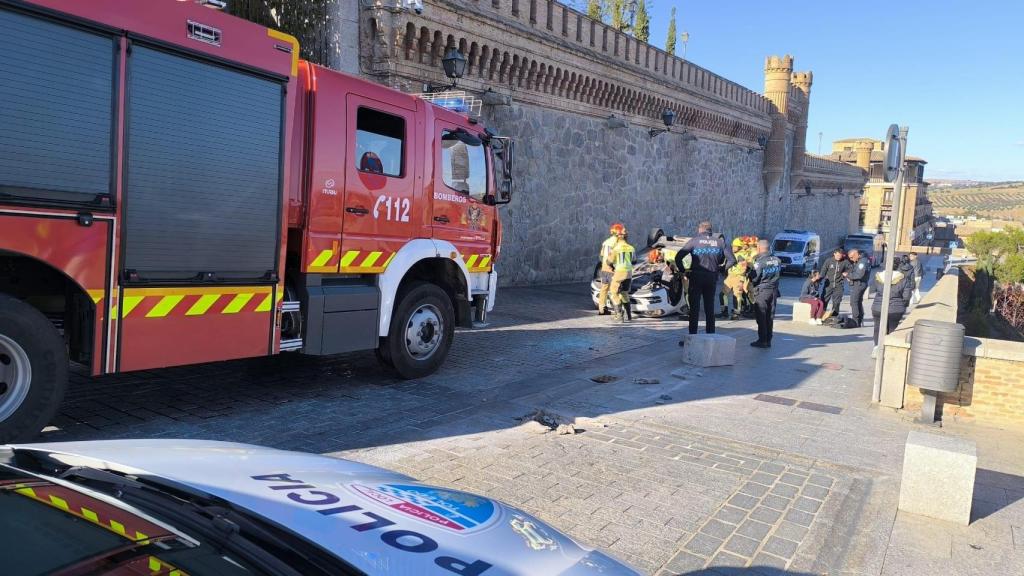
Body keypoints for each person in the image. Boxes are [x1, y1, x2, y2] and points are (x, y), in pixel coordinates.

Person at [675, 221, 735, 344]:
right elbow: (732, 260)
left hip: (696, 276)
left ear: (700, 230)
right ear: (711, 230)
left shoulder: (694, 241)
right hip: (711, 277)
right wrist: (721, 269)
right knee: (709, 307)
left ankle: (692, 337)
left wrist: (684, 271)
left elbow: (678, 256)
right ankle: (710, 337)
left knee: (694, 308)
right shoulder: (720, 242)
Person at [870, 257, 915, 357]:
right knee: (892, 329)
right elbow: (907, 296)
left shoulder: (878, 276)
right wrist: (904, 305)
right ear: (898, 266)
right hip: (896, 309)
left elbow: (873, 289)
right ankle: (888, 351)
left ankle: (877, 348)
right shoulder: (903, 279)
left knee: (878, 328)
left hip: (878, 307)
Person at [747, 239, 782, 348]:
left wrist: (748, 272)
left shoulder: (760, 262)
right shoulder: (777, 260)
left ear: (759, 248)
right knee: (770, 316)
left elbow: (755, 278)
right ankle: (768, 339)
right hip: (774, 290)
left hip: (762, 291)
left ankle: (762, 340)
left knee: (761, 315)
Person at [607, 226, 635, 322]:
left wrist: (612, 265)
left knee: (613, 293)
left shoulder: (616, 248)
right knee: (624, 293)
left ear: (618, 237)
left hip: (619, 272)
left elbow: (609, 261)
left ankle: (619, 316)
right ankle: (629, 315)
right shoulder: (631, 248)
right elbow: (634, 261)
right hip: (629, 273)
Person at [596, 223, 624, 315]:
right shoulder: (617, 243)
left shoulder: (606, 242)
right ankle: (618, 310)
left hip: (604, 268)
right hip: (612, 269)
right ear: (618, 232)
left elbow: (601, 255)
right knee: (616, 290)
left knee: (604, 289)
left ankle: (602, 309)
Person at [820, 248, 850, 322]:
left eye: (840, 255)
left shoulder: (845, 262)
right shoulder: (829, 261)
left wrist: (846, 274)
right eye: (837, 255)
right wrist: (819, 279)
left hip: (839, 285)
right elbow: (823, 271)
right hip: (828, 284)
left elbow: (850, 269)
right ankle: (821, 316)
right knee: (824, 300)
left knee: (836, 302)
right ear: (834, 254)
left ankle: (834, 317)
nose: (839, 257)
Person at [846, 249, 870, 327]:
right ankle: (859, 319)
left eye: (852, 257)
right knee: (858, 302)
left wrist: (848, 275)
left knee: (854, 302)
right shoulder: (862, 260)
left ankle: (856, 321)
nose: (851, 259)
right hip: (860, 284)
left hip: (859, 284)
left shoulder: (862, 262)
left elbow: (858, 275)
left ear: (857, 254)